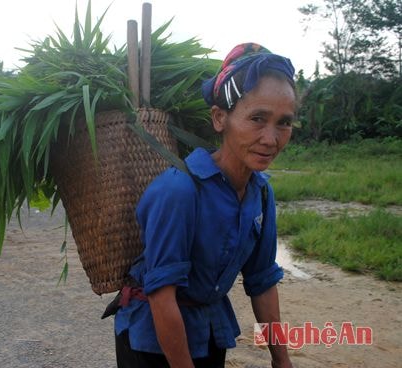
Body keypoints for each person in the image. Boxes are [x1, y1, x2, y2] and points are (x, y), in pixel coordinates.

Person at [113, 43, 297, 368]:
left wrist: (282, 361)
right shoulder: (180, 190)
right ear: (219, 118)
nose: (271, 139)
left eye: (284, 122)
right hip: (152, 341)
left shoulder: (262, 194)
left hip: (209, 331)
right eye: (257, 118)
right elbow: (162, 295)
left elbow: (262, 282)